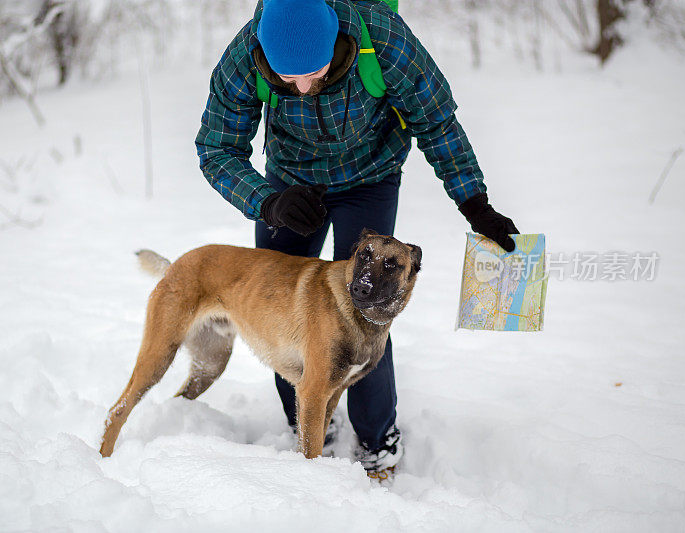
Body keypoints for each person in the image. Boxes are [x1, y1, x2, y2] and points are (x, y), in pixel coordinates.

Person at [195, 0, 518, 478]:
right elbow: (217, 147)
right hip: (290, 186)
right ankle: (309, 426)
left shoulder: (382, 37)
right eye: (288, 79)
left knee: (367, 309)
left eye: (315, 71)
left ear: (336, 43)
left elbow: (437, 121)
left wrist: (474, 203)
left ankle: (377, 442)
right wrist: (266, 201)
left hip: (370, 176)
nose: (303, 87)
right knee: (282, 310)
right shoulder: (248, 53)